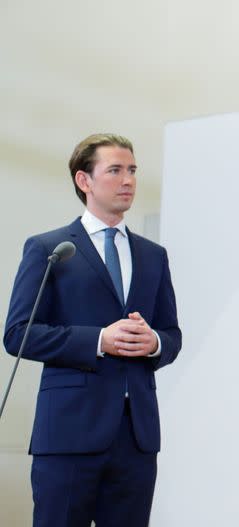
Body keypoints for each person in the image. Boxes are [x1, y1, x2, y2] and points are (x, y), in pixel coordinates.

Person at [3, 133, 181, 526]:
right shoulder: (49, 248)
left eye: (132, 170)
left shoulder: (153, 256)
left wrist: (153, 343)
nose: (128, 180)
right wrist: (99, 339)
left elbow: (171, 334)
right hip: (68, 434)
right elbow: (17, 333)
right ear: (84, 181)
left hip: (136, 439)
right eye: (115, 170)